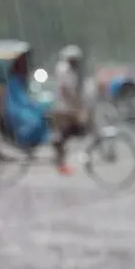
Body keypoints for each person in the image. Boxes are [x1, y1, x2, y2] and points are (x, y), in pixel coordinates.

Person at [51, 45, 92, 174]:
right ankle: (60, 161)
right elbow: (66, 91)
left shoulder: (72, 71)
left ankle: (61, 158)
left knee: (69, 134)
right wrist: (77, 105)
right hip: (65, 108)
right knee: (66, 134)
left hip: (69, 107)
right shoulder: (63, 70)